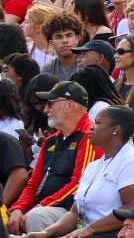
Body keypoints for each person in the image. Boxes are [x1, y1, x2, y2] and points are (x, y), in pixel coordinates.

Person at [22, 106, 134, 238]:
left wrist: (90, 229)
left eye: (98, 122)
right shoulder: (94, 166)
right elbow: (74, 213)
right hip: (89, 232)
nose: (92, 127)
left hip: (117, 233)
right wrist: (46, 233)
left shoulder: (133, 160)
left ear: (115, 129)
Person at [9, 80, 94, 234]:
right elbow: (33, 183)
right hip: (46, 208)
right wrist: (18, 208)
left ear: (69, 105)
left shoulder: (89, 137)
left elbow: (79, 185)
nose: (46, 109)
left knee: (36, 217)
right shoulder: (50, 141)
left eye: (51, 103)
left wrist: (42, 206)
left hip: (74, 213)